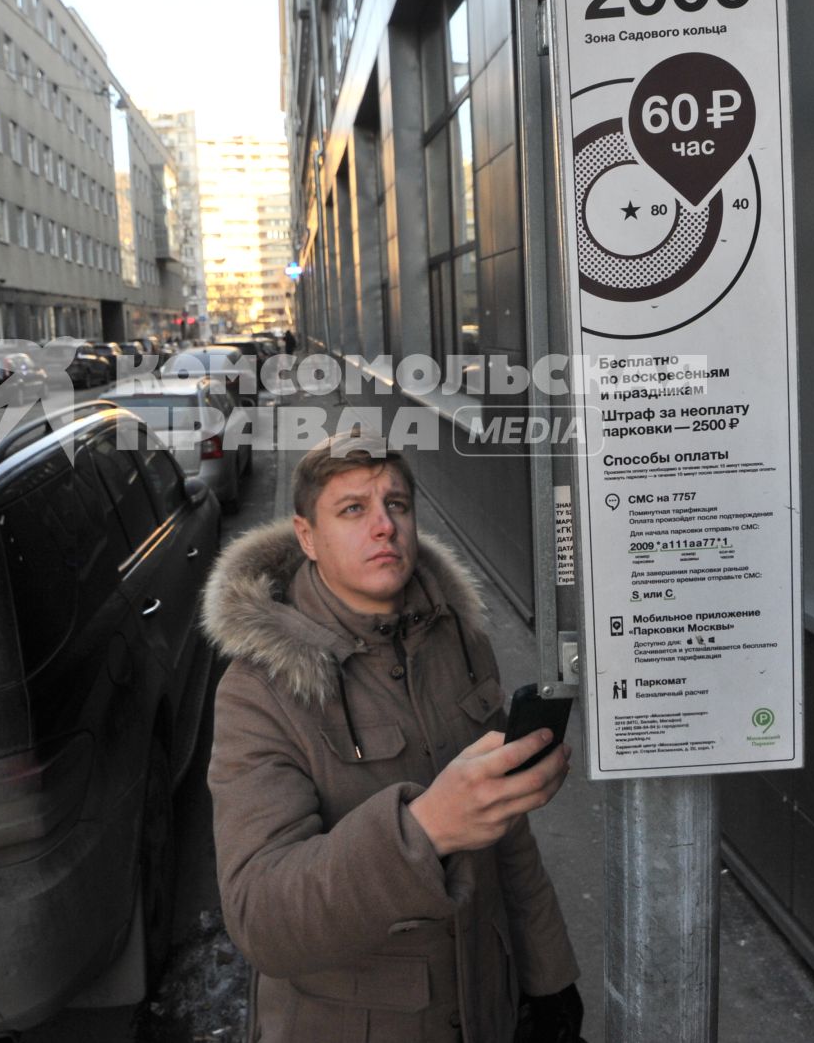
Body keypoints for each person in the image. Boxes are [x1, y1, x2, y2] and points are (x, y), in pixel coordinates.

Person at [203, 432, 583, 1041]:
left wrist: (550, 978)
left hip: (488, 1004)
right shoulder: (259, 690)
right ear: (307, 537)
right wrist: (425, 830)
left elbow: (508, 836)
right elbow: (261, 917)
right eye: (353, 509)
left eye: (397, 505)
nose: (384, 526)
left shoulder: (460, 640)